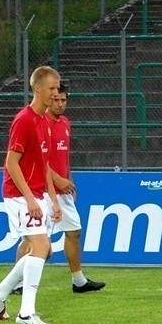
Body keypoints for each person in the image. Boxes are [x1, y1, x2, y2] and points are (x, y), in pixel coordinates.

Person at [0, 65, 62, 324]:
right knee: (39, 246)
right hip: (19, 194)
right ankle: (26, 313)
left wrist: (52, 199)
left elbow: (45, 165)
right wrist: (29, 198)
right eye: (51, 88)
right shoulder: (24, 120)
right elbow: (11, 163)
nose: (55, 93)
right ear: (37, 88)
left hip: (37, 193)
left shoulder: (45, 122)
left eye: (57, 88)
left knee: (45, 250)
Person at [46, 84, 106, 293]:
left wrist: (68, 179)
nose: (60, 104)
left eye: (63, 100)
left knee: (74, 231)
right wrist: (57, 180)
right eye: (56, 100)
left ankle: (78, 281)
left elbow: (64, 157)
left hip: (63, 190)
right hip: (43, 189)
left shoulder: (64, 123)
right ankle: (17, 283)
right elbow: (38, 160)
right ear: (48, 98)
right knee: (37, 238)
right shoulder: (41, 123)